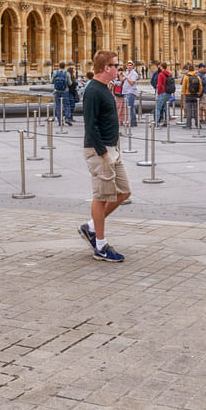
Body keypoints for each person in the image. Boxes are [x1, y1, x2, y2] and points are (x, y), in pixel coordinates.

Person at [78, 50, 131, 263]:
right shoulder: (92, 90)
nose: (119, 68)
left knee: (124, 192)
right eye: (116, 65)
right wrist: (102, 153)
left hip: (112, 149)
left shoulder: (106, 88)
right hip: (100, 151)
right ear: (106, 67)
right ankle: (100, 245)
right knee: (100, 197)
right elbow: (90, 125)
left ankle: (90, 227)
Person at [152, 62, 172, 127]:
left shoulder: (161, 74)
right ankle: (167, 122)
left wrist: (158, 93)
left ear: (161, 67)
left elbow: (159, 85)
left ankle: (157, 122)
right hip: (168, 93)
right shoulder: (169, 73)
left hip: (162, 93)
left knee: (158, 108)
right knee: (166, 108)